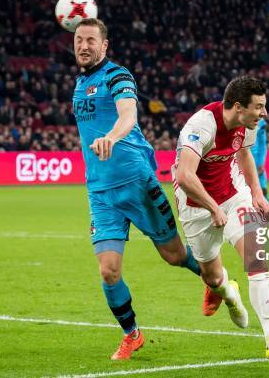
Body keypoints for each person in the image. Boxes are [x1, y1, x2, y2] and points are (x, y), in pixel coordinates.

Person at [72, 18, 201, 360]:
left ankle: (213, 278)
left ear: (104, 46)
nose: (83, 46)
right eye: (78, 40)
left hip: (139, 184)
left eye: (90, 40)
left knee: (174, 256)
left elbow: (128, 115)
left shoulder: (118, 75)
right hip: (101, 193)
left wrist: (111, 137)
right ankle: (132, 334)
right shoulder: (78, 84)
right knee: (108, 270)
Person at [173, 76, 269, 360]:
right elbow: (184, 175)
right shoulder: (201, 126)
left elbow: (244, 155)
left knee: (256, 259)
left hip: (233, 194)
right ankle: (228, 293)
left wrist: (257, 193)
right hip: (195, 203)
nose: (264, 113)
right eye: (259, 107)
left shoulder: (246, 125)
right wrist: (213, 208)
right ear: (239, 107)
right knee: (212, 276)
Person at [251, 118, 269, 200]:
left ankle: (265, 209)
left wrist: (261, 162)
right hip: (241, 161)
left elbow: (262, 144)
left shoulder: (261, 123)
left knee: (263, 189)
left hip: (256, 161)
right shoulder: (239, 120)